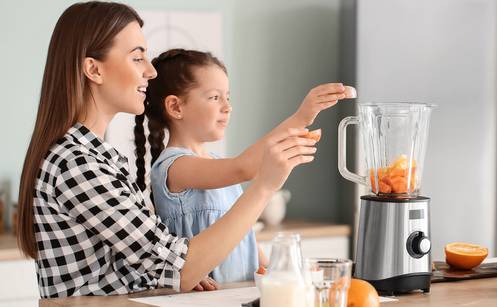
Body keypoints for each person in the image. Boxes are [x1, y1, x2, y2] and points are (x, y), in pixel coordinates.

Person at [17, 1, 319, 298]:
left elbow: (153, 262)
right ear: (93, 70)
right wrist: (264, 187)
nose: (150, 71)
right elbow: (179, 266)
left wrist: (167, 274)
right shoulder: (77, 164)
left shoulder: (99, 159)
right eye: (137, 58)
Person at [133, 49, 356, 283]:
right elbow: (244, 169)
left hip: (238, 293)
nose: (227, 107)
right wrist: (302, 118)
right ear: (176, 107)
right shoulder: (175, 166)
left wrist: (279, 273)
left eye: (227, 97)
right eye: (214, 97)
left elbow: (242, 231)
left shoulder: (216, 164)